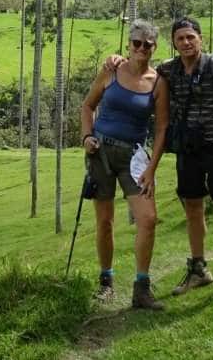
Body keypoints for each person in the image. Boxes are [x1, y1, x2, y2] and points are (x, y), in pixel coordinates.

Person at [106, 16, 213, 303]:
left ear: (200, 39)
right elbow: (140, 70)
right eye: (180, 38)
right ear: (174, 43)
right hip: (187, 149)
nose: (186, 42)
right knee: (192, 209)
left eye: (191, 37)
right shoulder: (169, 70)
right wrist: (116, 60)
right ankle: (198, 269)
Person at [80, 20, 168, 309]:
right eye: (136, 43)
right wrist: (86, 136)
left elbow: (162, 129)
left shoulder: (158, 82)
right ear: (129, 44)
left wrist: (152, 168)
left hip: (134, 157)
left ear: (155, 47)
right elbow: (87, 106)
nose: (141, 48)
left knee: (148, 218)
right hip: (101, 152)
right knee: (105, 222)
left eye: (148, 44)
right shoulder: (111, 70)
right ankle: (106, 282)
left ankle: (141, 288)